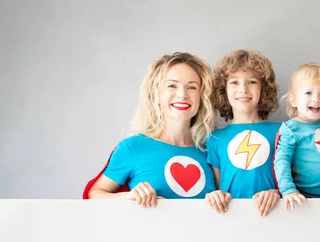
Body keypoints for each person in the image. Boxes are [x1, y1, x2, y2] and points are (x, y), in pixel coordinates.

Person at [85, 52, 216, 207]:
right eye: (171, 86)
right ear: (157, 95)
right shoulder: (133, 148)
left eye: (192, 87)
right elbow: (94, 195)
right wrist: (129, 197)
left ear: (202, 97)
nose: (182, 95)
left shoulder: (213, 150)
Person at [205, 50, 281, 216]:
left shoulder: (282, 131)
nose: (243, 89)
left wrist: (277, 193)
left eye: (252, 82)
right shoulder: (215, 139)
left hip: (276, 215)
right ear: (223, 90)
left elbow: (295, 181)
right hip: (232, 219)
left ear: (264, 89)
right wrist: (215, 196)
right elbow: (217, 187)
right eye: (234, 83)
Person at [273, 63, 320, 210]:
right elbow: (281, 161)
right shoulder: (291, 129)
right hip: (305, 200)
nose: (316, 99)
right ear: (293, 100)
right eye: (308, 93)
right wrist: (288, 190)